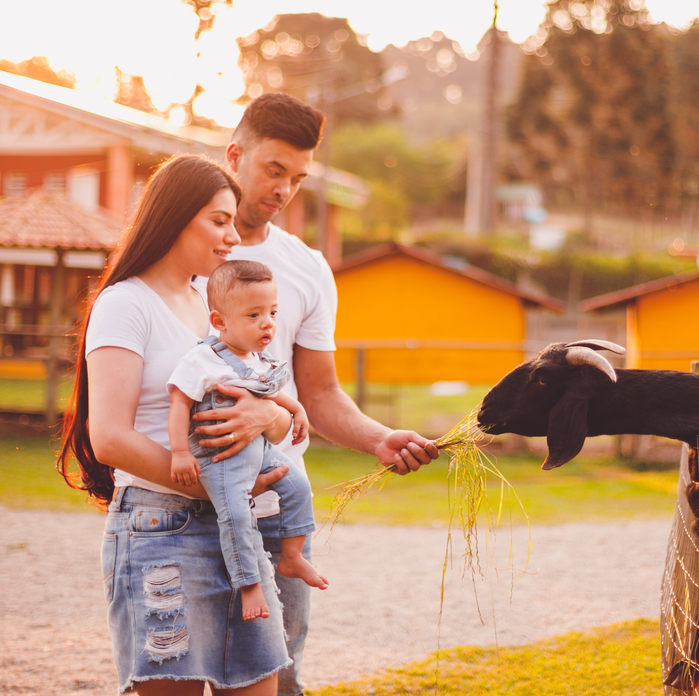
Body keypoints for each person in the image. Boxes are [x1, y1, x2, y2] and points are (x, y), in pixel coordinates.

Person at [223, 92, 440, 696]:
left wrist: (379, 438)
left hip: (275, 506)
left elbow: (319, 393)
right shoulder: (180, 253)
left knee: (278, 674)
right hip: (185, 500)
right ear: (234, 155)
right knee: (179, 672)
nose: (284, 189)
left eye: (297, 178)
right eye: (273, 169)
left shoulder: (307, 268)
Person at [58, 154, 297, 696]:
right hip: (161, 530)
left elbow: (274, 410)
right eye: (219, 220)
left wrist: (269, 414)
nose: (233, 236)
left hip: (235, 529)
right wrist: (218, 487)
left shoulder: (214, 306)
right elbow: (109, 437)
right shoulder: (125, 304)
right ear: (173, 217)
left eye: (233, 222)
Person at [166, 259, 327, 622]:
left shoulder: (258, 360)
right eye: (254, 315)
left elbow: (270, 394)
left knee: (298, 486)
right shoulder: (202, 360)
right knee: (236, 514)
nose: (267, 322)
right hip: (219, 456)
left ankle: (292, 555)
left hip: (260, 449)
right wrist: (179, 452)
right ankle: (249, 585)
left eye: (272, 312)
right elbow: (179, 404)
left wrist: (296, 408)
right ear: (220, 321)